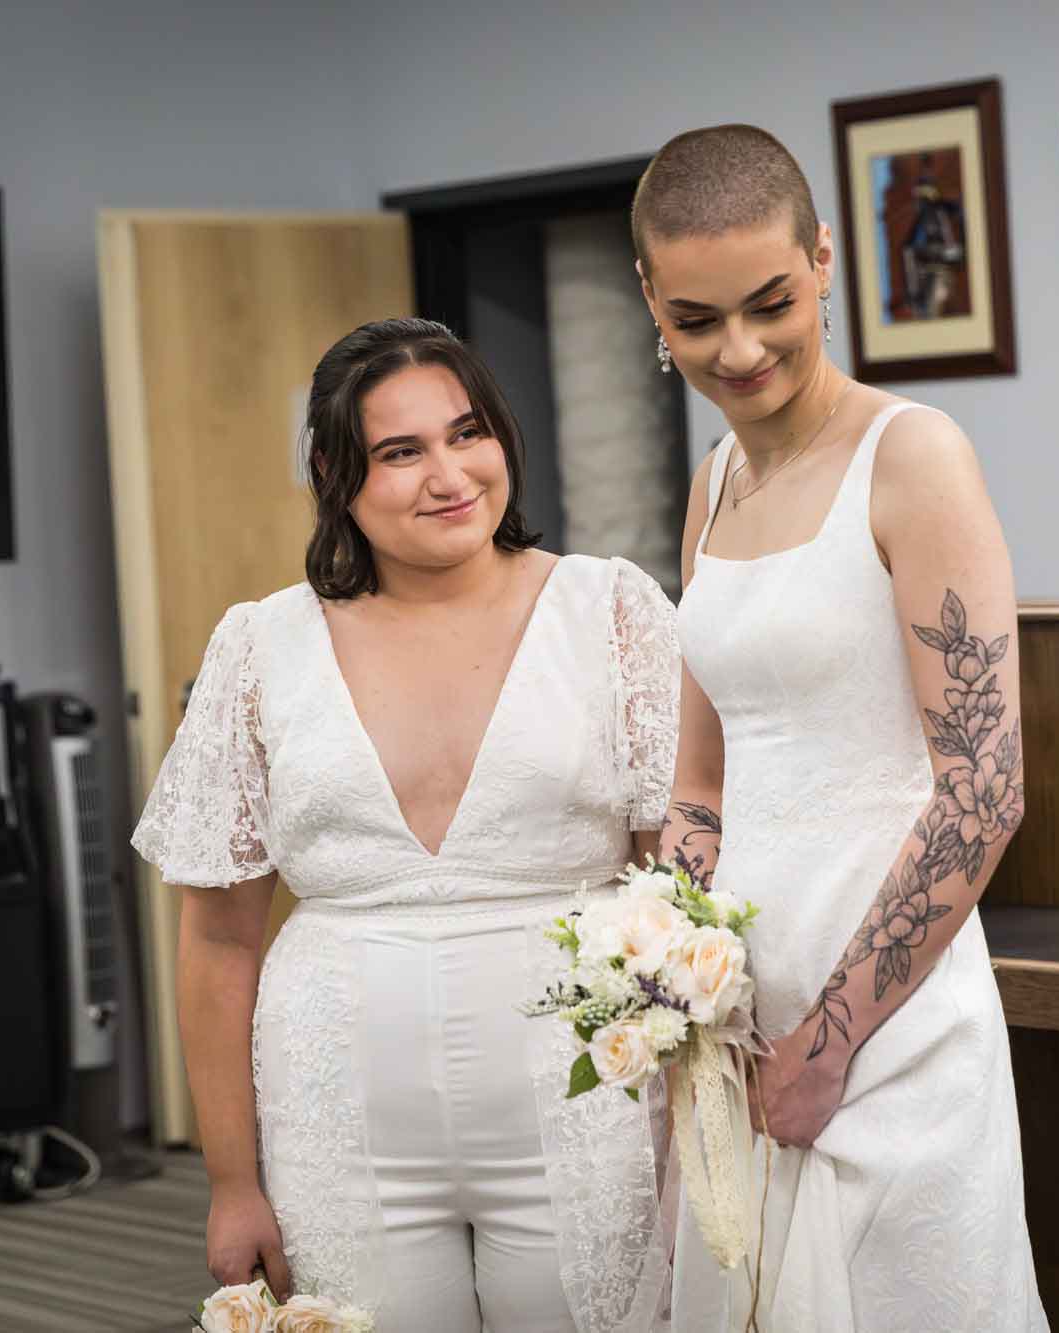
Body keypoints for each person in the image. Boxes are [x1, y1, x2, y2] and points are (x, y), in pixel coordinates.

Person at [132, 318, 677, 1332]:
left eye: (466, 433)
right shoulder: (261, 647)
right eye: (400, 451)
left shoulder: (610, 611)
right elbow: (215, 937)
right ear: (336, 477)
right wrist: (229, 1181)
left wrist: (697, 1136)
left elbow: (677, 894)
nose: (449, 474)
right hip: (335, 1124)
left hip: (586, 1113)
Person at [636, 126, 1049, 1331]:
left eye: (771, 302)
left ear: (823, 259)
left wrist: (831, 1036)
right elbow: (701, 780)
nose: (740, 349)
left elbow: (984, 789)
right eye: (697, 320)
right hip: (743, 1002)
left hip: (889, 1005)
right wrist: (662, 976)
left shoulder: (909, 455)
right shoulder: (710, 487)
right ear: (652, 304)